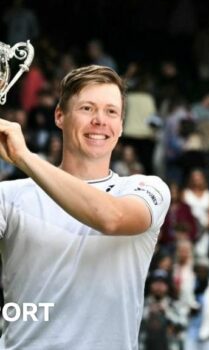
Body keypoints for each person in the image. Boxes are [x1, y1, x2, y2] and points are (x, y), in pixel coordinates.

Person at [0, 65, 170, 349]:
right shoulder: (9, 196)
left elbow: (111, 218)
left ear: (121, 125)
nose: (100, 121)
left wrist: (23, 157)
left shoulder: (147, 188)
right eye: (87, 108)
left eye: (111, 111)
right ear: (59, 116)